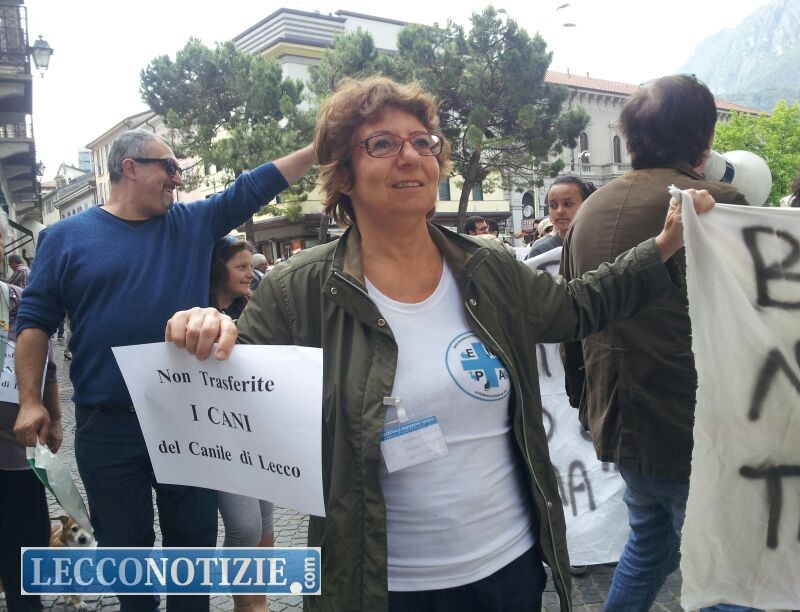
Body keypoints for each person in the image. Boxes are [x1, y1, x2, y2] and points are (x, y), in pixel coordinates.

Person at [165, 76, 715, 612]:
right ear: (344, 174)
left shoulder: (488, 267)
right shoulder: (298, 290)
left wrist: (663, 246)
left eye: (422, 142)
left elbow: (576, 308)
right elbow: (232, 393)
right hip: (383, 588)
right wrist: (206, 330)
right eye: (383, 144)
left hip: (510, 572)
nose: (411, 156)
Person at [13, 129, 314, 612]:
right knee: (125, 556)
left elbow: (253, 187)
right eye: (170, 168)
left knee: (192, 553)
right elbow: (33, 324)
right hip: (106, 428)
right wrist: (31, 400)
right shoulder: (64, 238)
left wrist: (319, 149)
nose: (178, 179)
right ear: (130, 167)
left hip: (186, 421)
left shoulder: (193, 223)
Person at [562, 75, 752, 612]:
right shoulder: (718, 205)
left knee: (650, 545)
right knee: (725, 572)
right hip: (697, 426)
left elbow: (573, 321)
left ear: (630, 138)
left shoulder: (588, 212)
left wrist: (585, 403)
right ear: (705, 141)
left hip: (620, 420)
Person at [209, 236, 275, 612]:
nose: (251, 273)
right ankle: (243, 604)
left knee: (265, 522)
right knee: (245, 527)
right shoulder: (196, 313)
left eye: (251, 266)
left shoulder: (253, 309)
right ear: (219, 268)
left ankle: (259, 602)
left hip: (257, 430)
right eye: (242, 267)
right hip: (219, 438)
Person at [0, 213, 61, 612]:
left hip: (15, 450)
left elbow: (47, 364)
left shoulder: (16, 300)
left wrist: (54, 417)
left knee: (25, 544)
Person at [526, 176, 594, 260]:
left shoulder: (602, 246)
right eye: (553, 205)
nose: (559, 211)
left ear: (585, 204)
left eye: (568, 204)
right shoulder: (539, 252)